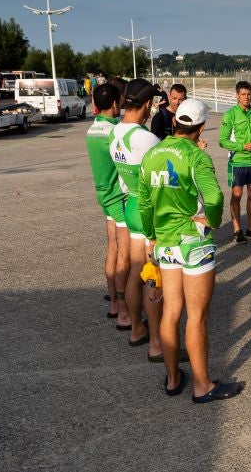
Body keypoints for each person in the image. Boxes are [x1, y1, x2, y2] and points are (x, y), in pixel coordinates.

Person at [139, 98, 242, 403]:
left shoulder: (152, 154)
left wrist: (151, 236)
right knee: (196, 317)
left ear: (176, 123)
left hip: (166, 242)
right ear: (198, 128)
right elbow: (213, 197)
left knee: (171, 312)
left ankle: (172, 379)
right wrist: (210, 222)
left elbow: (144, 203)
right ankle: (202, 385)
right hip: (194, 243)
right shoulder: (196, 157)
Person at [110, 79, 163, 353]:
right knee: (152, 276)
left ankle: (135, 329)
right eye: (151, 104)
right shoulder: (147, 138)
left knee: (134, 272)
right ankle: (156, 342)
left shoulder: (115, 133)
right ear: (145, 105)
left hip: (130, 204)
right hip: (148, 211)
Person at [85, 83, 132, 328]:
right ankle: (125, 312)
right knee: (124, 254)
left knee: (112, 248)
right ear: (115, 104)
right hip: (119, 197)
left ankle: (114, 302)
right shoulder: (114, 133)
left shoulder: (93, 130)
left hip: (104, 195)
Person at [219, 80, 251, 244]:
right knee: (237, 195)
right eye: (243, 94)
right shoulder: (230, 114)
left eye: (249, 94)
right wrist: (241, 146)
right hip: (237, 162)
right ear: (237, 95)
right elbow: (222, 141)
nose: (247, 97)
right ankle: (237, 230)